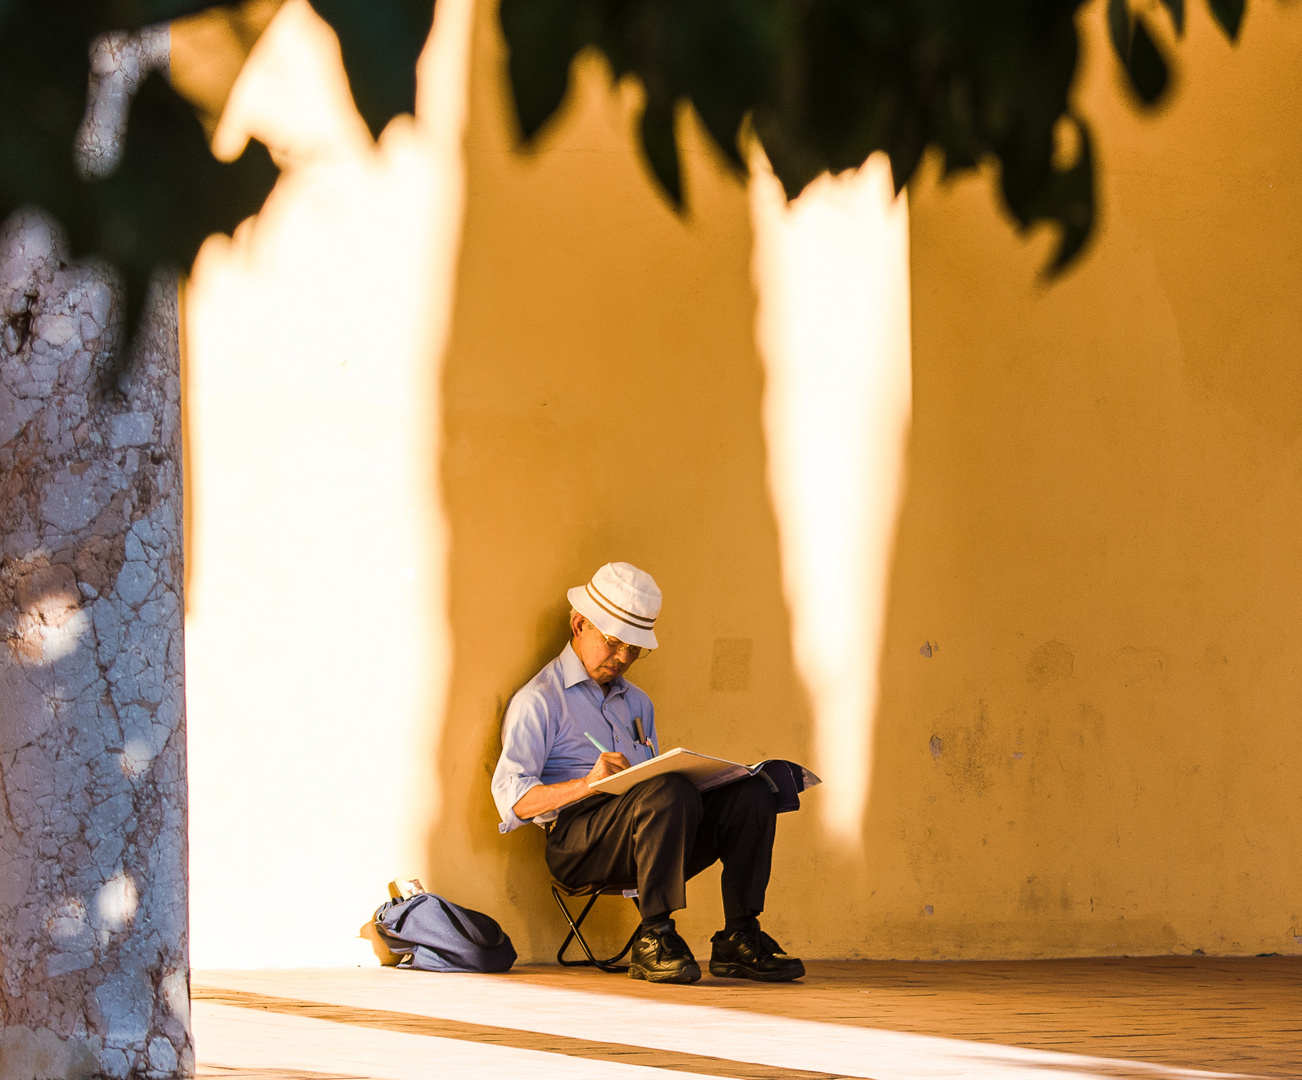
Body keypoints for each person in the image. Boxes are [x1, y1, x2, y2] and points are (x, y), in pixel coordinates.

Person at [491, 561, 804, 984]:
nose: (622, 659)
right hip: (577, 843)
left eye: (634, 650)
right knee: (668, 791)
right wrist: (587, 784)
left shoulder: (638, 703)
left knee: (753, 792)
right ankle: (654, 935)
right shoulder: (540, 701)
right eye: (614, 643)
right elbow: (514, 801)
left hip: (649, 832)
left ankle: (739, 937)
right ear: (579, 623)